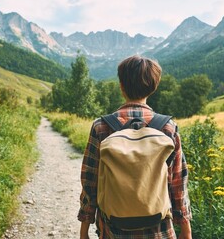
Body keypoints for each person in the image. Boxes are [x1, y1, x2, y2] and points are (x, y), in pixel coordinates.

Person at [78, 55, 192, 239]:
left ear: (121, 86)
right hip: (159, 229)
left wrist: (84, 229)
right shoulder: (168, 127)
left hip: (113, 229)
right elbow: (178, 182)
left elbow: (90, 182)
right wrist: (186, 228)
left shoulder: (101, 127)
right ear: (153, 87)